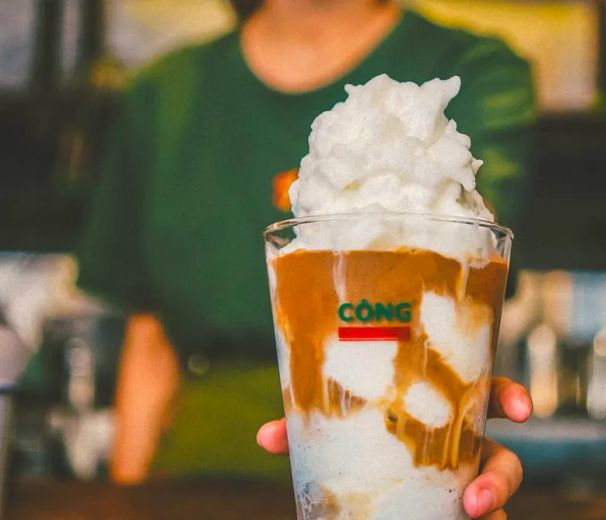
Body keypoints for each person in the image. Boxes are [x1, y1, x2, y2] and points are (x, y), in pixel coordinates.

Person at [78, 0, 536, 518]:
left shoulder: (471, 68)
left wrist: (457, 408)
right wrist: (126, 500)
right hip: (195, 481)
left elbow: (471, 240)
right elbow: (149, 340)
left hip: (408, 440)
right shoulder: (164, 93)